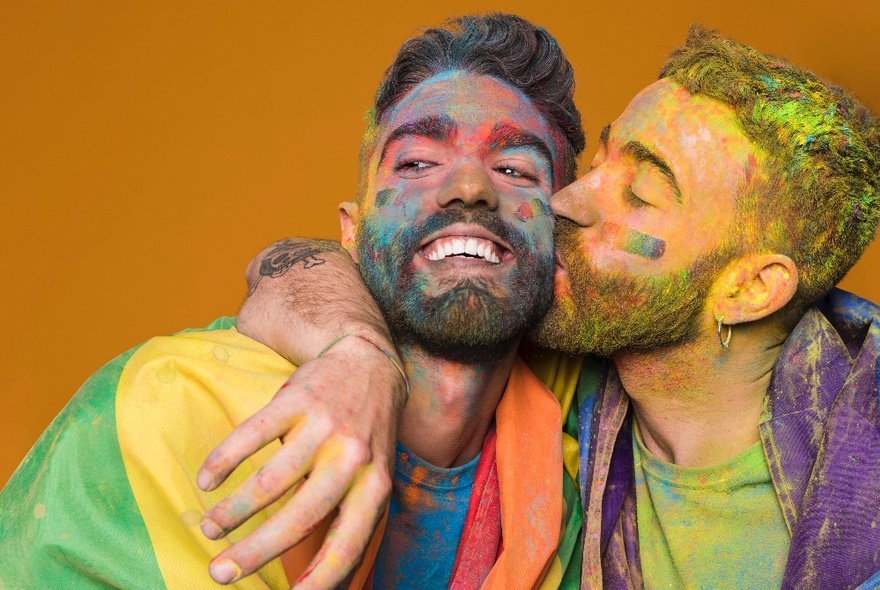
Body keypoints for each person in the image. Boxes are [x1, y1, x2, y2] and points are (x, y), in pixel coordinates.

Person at [205, 24, 880, 589]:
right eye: (601, 162)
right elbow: (309, 259)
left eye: (640, 193)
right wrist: (358, 353)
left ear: (749, 289)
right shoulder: (551, 376)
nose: (565, 201)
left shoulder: (859, 473)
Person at [0, 14, 586, 590]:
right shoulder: (168, 411)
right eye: (417, 163)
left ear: (561, 252)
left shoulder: (583, 466)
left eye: (515, 169)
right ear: (351, 233)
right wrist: (360, 352)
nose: (470, 188)